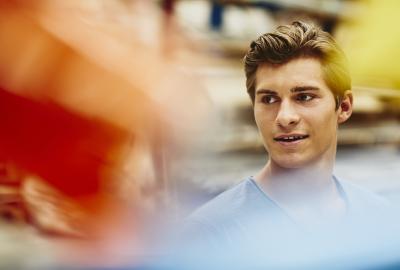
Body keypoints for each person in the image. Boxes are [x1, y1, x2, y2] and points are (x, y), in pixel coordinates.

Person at [181, 21, 390, 259]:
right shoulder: (210, 234)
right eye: (269, 100)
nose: (284, 117)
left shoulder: (380, 217)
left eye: (304, 96)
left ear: (344, 106)